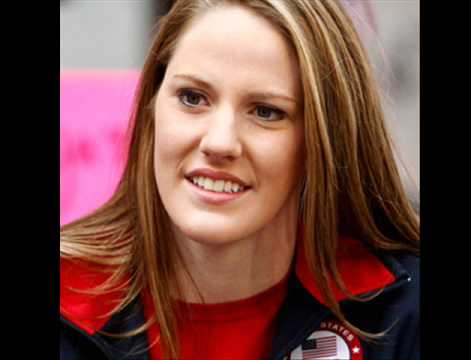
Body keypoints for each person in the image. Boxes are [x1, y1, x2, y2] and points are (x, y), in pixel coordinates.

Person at [60, 0, 420, 359]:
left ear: (325, 141)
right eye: (192, 98)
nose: (219, 142)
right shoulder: (67, 299)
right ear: (152, 109)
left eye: (266, 112)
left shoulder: (401, 313)